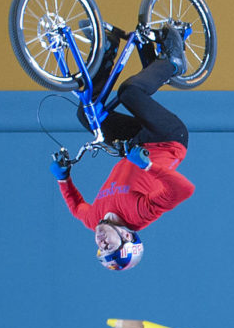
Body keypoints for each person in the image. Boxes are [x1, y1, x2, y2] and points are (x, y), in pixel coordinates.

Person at [53, 24, 194, 270]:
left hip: (134, 142)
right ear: (127, 236)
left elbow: (76, 208)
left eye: (100, 249)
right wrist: (148, 166)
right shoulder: (139, 215)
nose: (101, 243)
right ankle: (174, 63)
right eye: (110, 246)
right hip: (168, 139)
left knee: (88, 114)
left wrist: (63, 179)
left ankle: (107, 50)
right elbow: (184, 190)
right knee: (129, 92)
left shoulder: (94, 218)